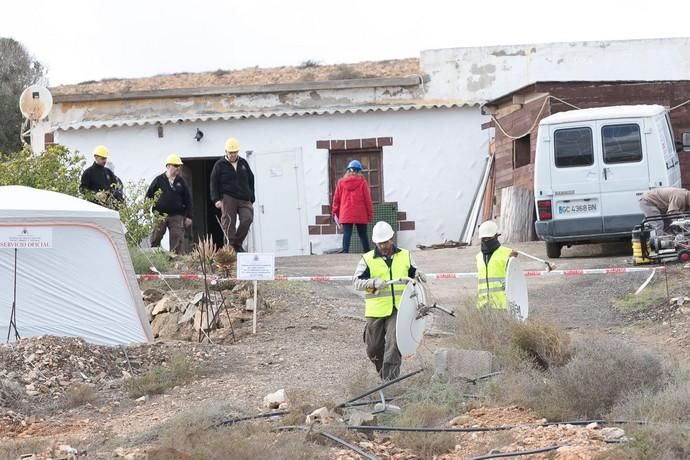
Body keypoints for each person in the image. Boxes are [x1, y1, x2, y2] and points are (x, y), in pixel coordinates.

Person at [353, 221, 425, 381]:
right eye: (380, 243)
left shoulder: (405, 255)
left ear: (391, 239)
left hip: (398, 309)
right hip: (376, 311)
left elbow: (413, 274)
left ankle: (390, 381)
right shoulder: (367, 259)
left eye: (386, 242)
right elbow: (356, 282)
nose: (383, 246)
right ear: (375, 243)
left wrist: (418, 274)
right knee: (374, 348)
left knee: (394, 344)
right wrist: (372, 282)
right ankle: (382, 374)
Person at [210, 138, 255, 252]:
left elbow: (251, 179)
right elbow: (213, 182)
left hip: (244, 198)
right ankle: (230, 249)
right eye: (231, 153)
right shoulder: (219, 165)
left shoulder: (243, 163)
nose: (233, 155)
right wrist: (216, 199)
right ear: (226, 152)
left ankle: (237, 244)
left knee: (247, 219)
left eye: (235, 152)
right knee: (229, 223)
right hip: (228, 197)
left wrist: (251, 196)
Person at [146, 155, 193, 253]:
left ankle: (176, 261)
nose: (178, 168)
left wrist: (189, 216)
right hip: (160, 215)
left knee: (177, 239)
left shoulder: (181, 181)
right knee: (156, 236)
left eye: (179, 166)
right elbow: (149, 195)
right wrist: (146, 211)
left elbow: (188, 199)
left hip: (177, 215)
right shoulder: (158, 180)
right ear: (168, 166)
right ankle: (154, 257)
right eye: (176, 166)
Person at [332, 160, 373, 253]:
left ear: (347, 171)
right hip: (361, 214)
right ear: (359, 172)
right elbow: (368, 200)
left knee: (346, 234)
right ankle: (368, 254)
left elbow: (336, 200)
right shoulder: (363, 183)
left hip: (345, 213)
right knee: (363, 235)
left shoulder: (341, 183)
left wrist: (335, 213)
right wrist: (369, 215)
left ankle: (345, 253)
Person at [476, 220, 517, 310]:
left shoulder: (507, 253)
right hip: (483, 306)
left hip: (502, 306)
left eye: (488, 238)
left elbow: (515, 279)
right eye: (484, 238)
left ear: (496, 237)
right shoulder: (478, 257)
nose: (486, 241)